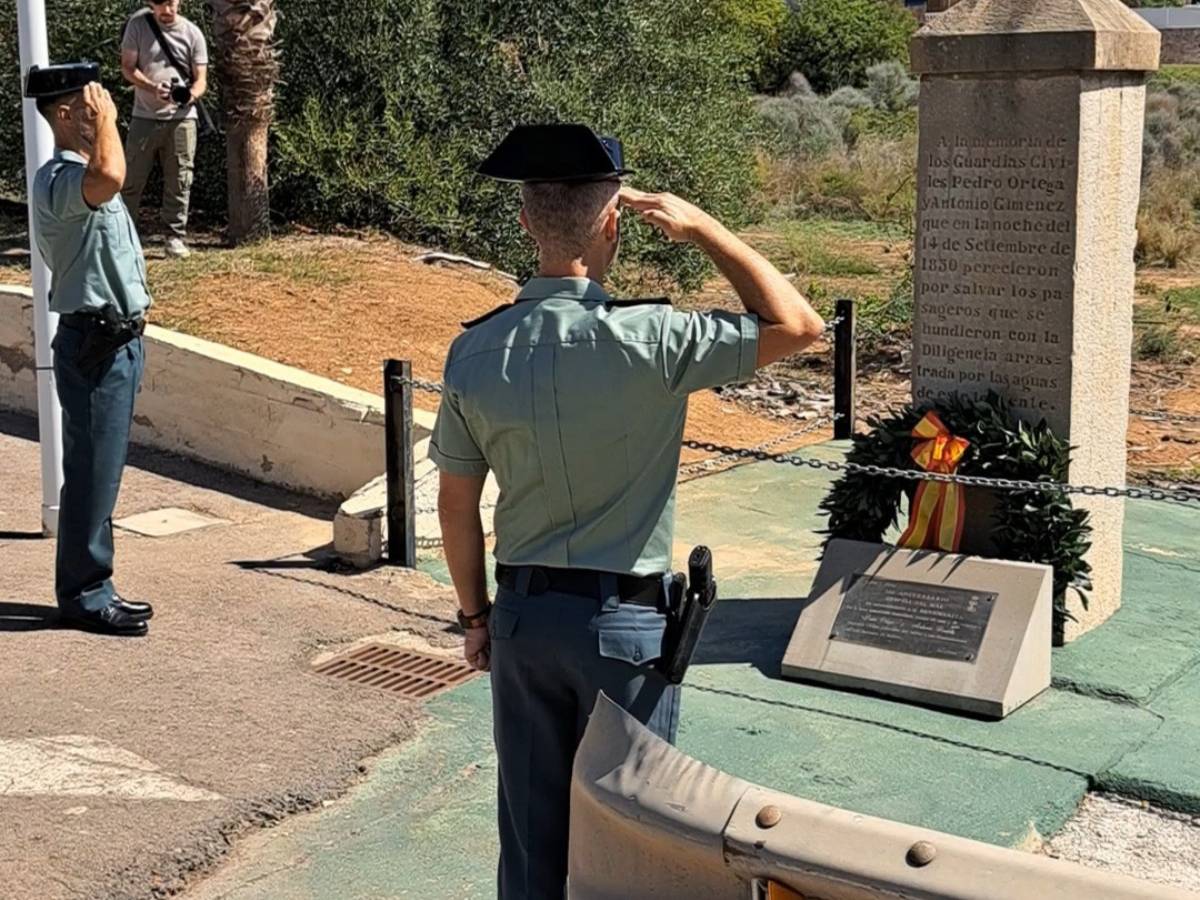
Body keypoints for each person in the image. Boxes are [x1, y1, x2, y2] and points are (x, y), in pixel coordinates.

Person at [429, 123, 825, 898]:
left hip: (521, 619)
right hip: (624, 628)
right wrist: (705, 226)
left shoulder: (475, 351)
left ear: (522, 221)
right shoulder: (653, 337)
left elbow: (455, 504)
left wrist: (476, 619)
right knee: (630, 835)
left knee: (530, 841)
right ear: (615, 221)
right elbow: (799, 325)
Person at [26, 62, 154, 637]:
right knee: (91, 475)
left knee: (100, 472)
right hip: (94, 342)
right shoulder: (59, 181)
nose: (99, 109)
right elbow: (111, 174)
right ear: (63, 113)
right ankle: (84, 593)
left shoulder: (77, 177)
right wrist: (106, 123)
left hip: (115, 341)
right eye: (88, 103)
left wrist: (102, 118)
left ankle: (93, 583)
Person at [120, 0, 208, 259]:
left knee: (180, 178)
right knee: (131, 178)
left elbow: (201, 79)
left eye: (170, 3)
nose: (166, 11)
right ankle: (123, 235)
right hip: (144, 116)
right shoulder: (137, 26)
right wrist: (150, 87)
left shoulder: (193, 33)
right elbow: (127, 67)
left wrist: (189, 95)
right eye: (160, 4)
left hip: (182, 118)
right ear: (151, 3)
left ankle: (174, 237)